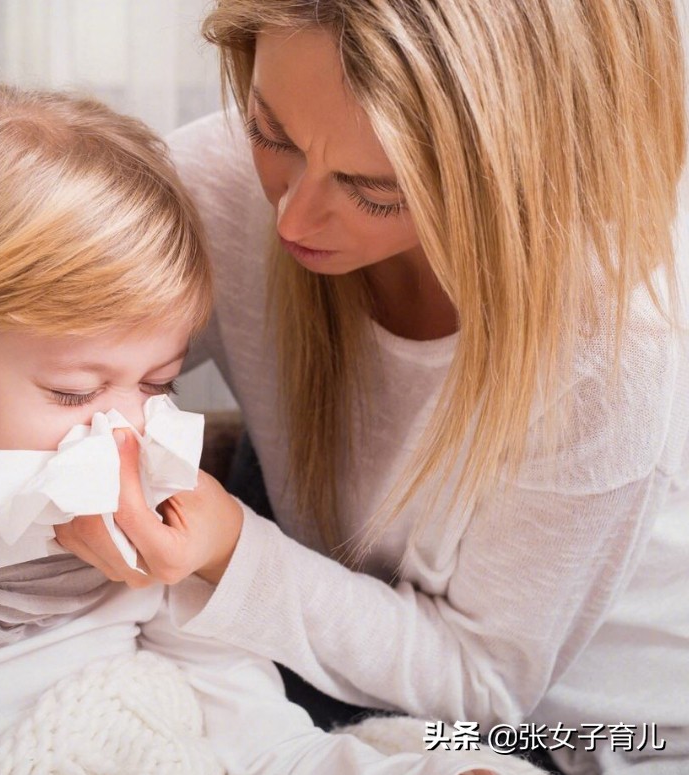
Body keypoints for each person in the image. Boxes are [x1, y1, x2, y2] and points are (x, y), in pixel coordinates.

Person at [0, 81, 523, 774]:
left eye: (159, 382)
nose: (122, 427)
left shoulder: (155, 525)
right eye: (71, 391)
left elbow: (263, 746)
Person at [53, 2, 689, 774]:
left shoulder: (612, 345)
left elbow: (483, 685)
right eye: (270, 133)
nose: (294, 213)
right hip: (353, 672)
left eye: (376, 190)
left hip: (595, 735)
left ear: (519, 167)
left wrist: (230, 549)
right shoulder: (219, 188)